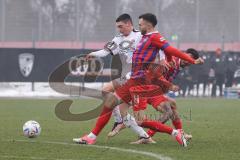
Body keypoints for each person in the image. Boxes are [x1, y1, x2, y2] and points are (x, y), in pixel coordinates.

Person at [74, 13, 203, 146]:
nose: (139, 25)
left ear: (148, 24)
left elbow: (171, 50)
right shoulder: (144, 36)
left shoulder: (154, 37)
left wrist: (191, 60)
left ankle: (175, 133)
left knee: (141, 120)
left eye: (140, 23)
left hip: (140, 83)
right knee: (110, 102)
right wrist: (167, 59)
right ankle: (92, 137)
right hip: (133, 80)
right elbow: (168, 53)